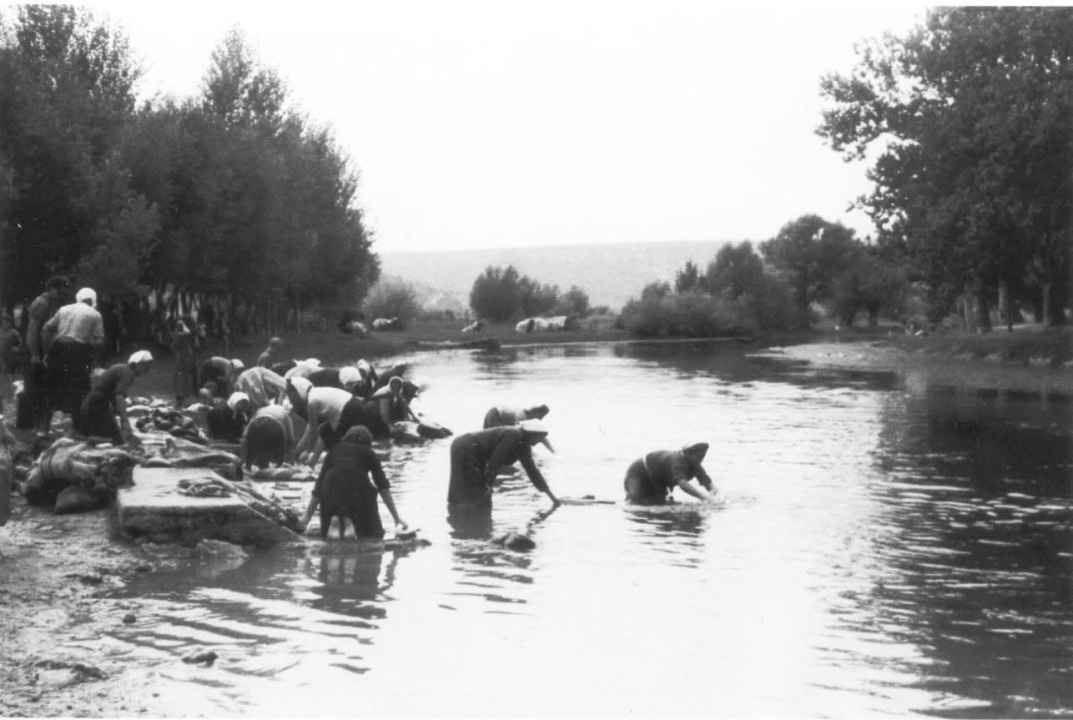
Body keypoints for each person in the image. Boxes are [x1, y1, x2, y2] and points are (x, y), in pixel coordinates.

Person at [296, 425, 407, 539]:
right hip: (355, 500)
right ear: (368, 442)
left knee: (332, 488)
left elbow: (319, 486)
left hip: (330, 499)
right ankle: (348, 523)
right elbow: (382, 486)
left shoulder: (333, 450)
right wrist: (396, 518)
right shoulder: (369, 452)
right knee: (375, 534)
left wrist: (306, 518)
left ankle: (337, 519)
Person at [447, 420, 560, 507]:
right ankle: (463, 516)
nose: (537, 443)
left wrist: (553, 498)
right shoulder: (513, 434)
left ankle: (469, 517)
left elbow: (533, 472)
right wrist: (489, 484)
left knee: (482, 495)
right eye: (538, 439)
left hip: (473, 451)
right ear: (531, 434)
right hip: (465, 447)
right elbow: (496, 460)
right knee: (475, 489)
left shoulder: (524, 445)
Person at [42, 287, 105, 421]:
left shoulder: (64, 309)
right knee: (80, 387)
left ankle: (43, 427)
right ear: (92, 300)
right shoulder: (94, 314)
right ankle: (80, 423)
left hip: (58, 347)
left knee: (55, 385)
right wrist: (93, 352)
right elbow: (99, 340)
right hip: (79, 349)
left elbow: (46, 328)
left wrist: (47, 350)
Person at [286, 378, 370, 466]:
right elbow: (312, 427)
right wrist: (300, 448)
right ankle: (312, 462)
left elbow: (313, 429)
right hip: (355, 405)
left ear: (300, 391)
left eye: (291, 396)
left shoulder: (312, 402)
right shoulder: (315, 393)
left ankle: (343, 465)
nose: (291, 400)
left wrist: (307, 451)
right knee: (325, 431)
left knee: (338, 443)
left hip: (350, 409)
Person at [22, 275, 70, 431]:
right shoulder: (41, 303)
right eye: (59, 293)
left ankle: (41, 427)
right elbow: (32, 330)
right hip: (36, 354)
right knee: (38, 392)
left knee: (47, 391)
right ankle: (36, 427)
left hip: (45, 354)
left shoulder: (51, 304)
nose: (61, 297)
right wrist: (35, 354)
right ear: (51, 289)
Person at [77, 350, 154, 445]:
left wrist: (117, 414)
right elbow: (119, 397)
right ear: (136, 364)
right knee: (117, 440)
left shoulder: (121, 368)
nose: (147, 370)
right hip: (98, 403)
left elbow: (113, 395)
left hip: (91, 402)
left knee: (103, 435)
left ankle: (90, 440)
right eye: (145, 366)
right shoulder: (129, 373)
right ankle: (91, 441)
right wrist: (124, 420)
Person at [623, 442, 717, 505]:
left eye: (703, 455)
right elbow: (683, 484)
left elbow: (706, 481)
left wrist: (714, 493)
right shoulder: (678, 461)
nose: (701, 459)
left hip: (657, 479)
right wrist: (703, 497)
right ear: (688, 454)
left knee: (659, 501)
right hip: (639, 473)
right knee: (634, 503)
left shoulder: (695, 464)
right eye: (699, 456)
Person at [240, 403, 295, 471]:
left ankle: (247, 466)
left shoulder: (260, 410)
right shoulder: (286, 414)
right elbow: (290, 440)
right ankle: (276, 467)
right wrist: (292, 462)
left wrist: (243, 461)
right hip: (275, 425)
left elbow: (245, 438)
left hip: (258, 423)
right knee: (277, 449)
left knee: (251, 444)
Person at [170, 315, 199, 408]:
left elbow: (174, 346)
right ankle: (188, 395)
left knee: (180, 377)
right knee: (188, 376)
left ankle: (180, 398)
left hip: (181, 356)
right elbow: (196, 344)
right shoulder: (190, 333)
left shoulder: (178, 334)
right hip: (190, 354)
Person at [483, 403, 550, 429]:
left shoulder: (527, 414)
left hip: (500, 415)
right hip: (494, 414)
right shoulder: (520, 415)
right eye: (541, 416)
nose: (541, 419)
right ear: (536, 412)